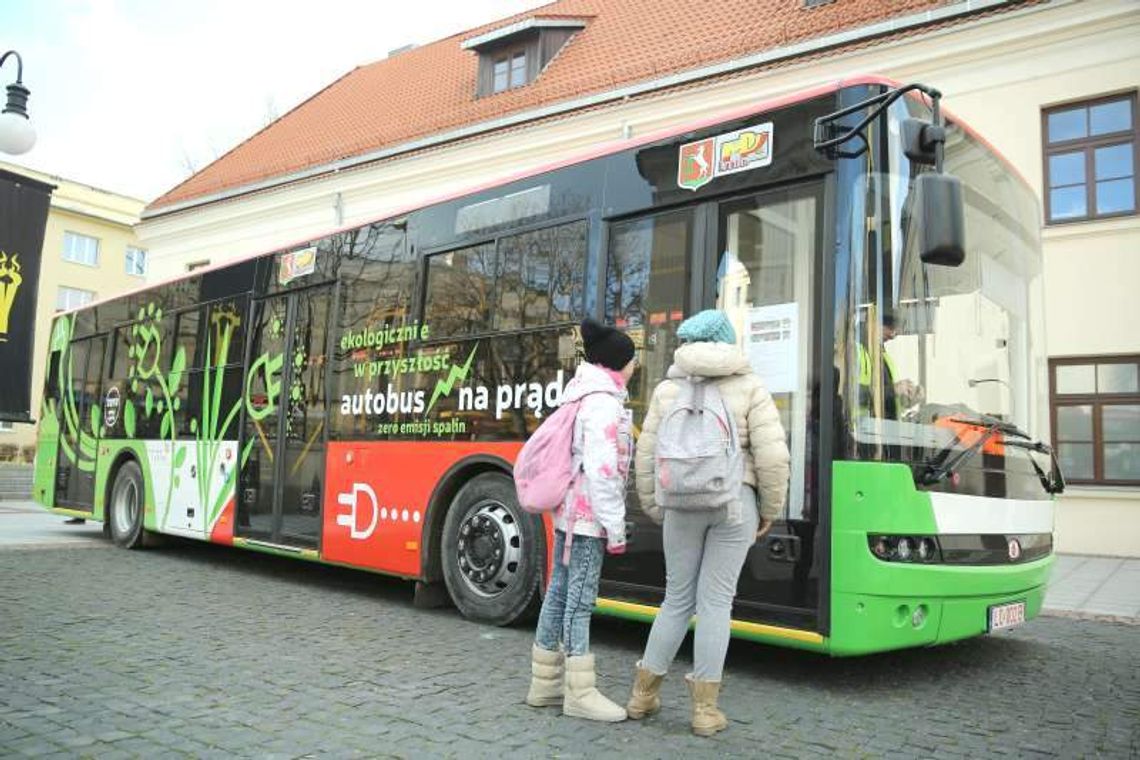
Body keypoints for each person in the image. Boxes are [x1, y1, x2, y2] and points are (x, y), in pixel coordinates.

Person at [626, 309, 790, 737]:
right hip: (734, 502)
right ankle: (704, 712)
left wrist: (656, 506)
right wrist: (769, 507)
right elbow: (772, 456)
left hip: (680, 505)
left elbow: (646, 454)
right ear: (728, 340)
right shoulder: (750, 384)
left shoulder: (667, 389)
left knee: (676, 599)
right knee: (717, 603)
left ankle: (642, 696)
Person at [525, 318, 636, 722]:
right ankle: (579, 692)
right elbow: (604, 471)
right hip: (588, 519)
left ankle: (544, 684)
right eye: (632, 360)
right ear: (616, 364)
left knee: (558, 591)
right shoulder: (604, 403)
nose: (635, 366)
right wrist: (616, 528)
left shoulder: (580, 395)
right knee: (580, 602)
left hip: (568, 515)